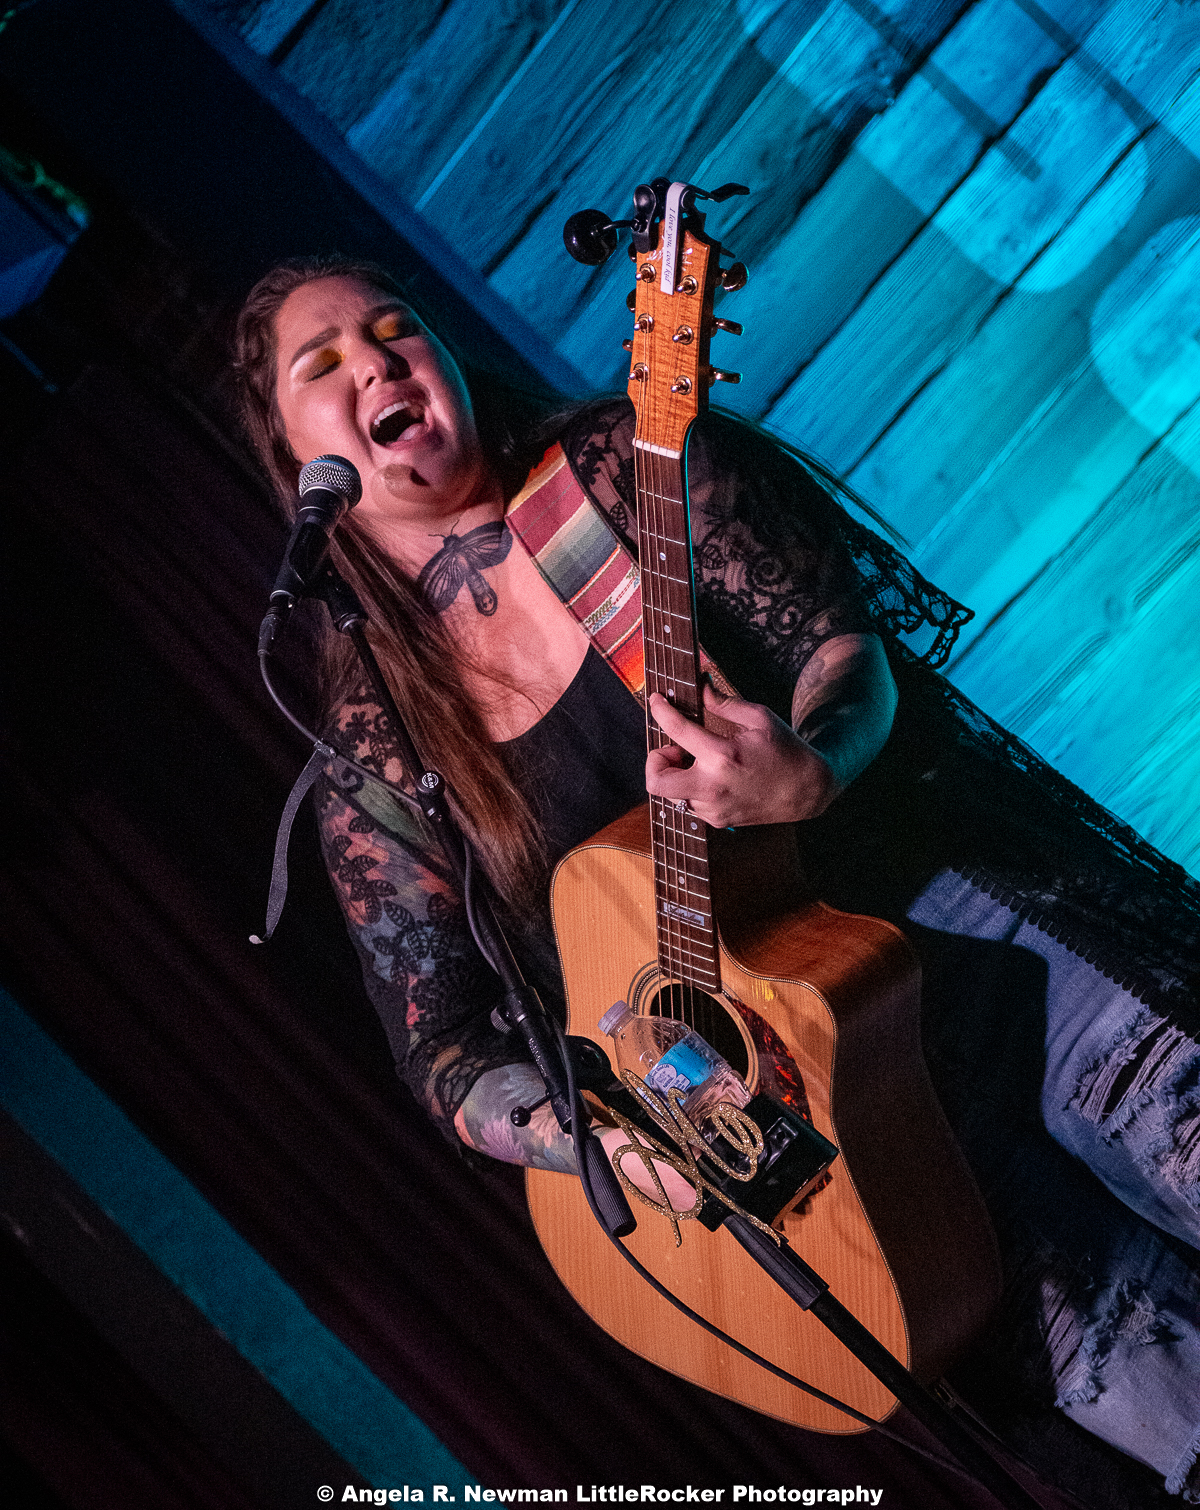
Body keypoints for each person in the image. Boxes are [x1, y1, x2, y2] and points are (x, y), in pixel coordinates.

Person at [235, 257, 1200, 1499]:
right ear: (292, 452)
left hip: (981, 950)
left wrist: (815, 764)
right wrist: (590, 1139)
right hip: (847, 1143)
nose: (376, 361)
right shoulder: (381, 741)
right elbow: (446, 1049)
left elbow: (842, 647)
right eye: (323, 365)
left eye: (394, 328)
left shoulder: (617, 471)